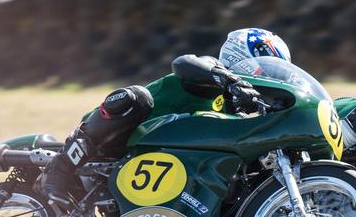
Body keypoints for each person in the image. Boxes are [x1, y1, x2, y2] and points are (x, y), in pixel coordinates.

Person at [41, 27, 290, 205]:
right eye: (268, 64)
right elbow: (183, 62)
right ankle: (60, 168)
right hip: (123, 131)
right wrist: (232, 80)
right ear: (244, 54)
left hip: (154, 162)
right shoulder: (212, 71)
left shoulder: (240, 106)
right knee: (135, 97)